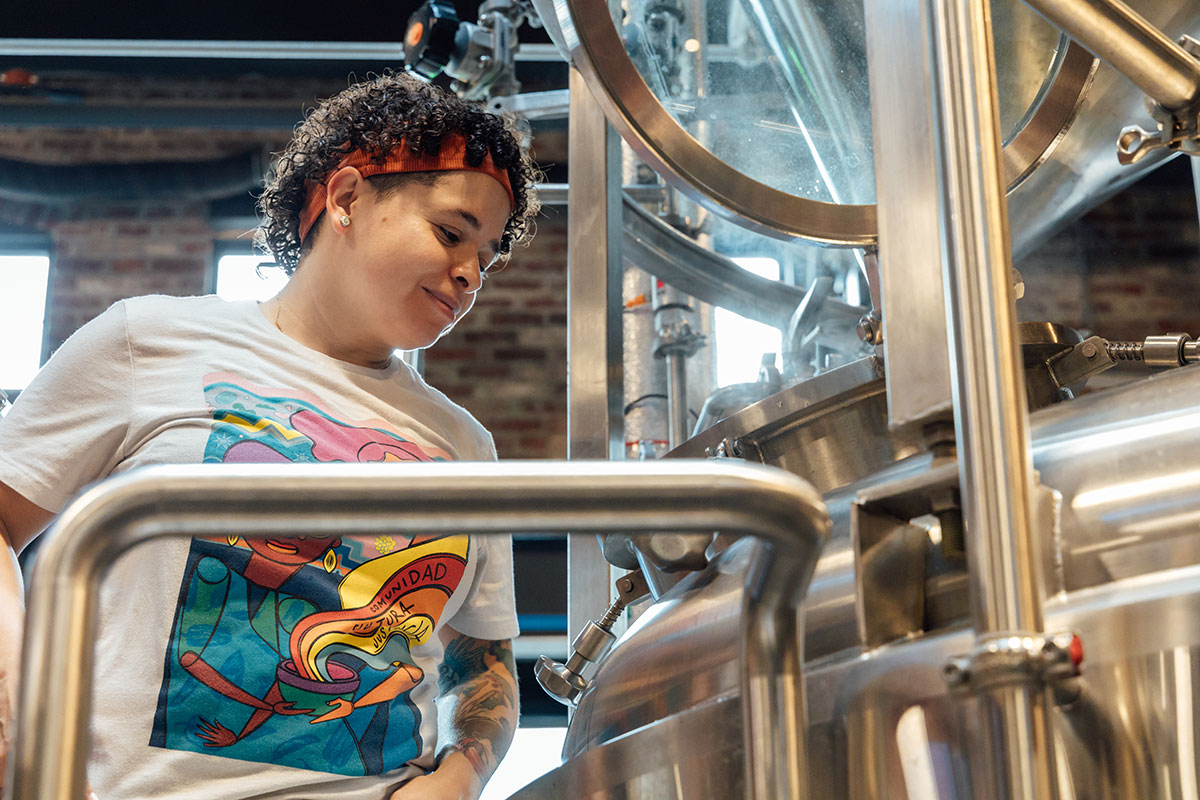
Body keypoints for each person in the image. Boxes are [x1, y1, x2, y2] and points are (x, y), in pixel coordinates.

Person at [0, 71, 541, 799]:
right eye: (452, 233)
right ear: (346, 198)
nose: (471, 273)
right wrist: (12, 694)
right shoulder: (148, 340)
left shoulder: (465, 445)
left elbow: (484, 663)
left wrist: (461, 776)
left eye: (489, 255)